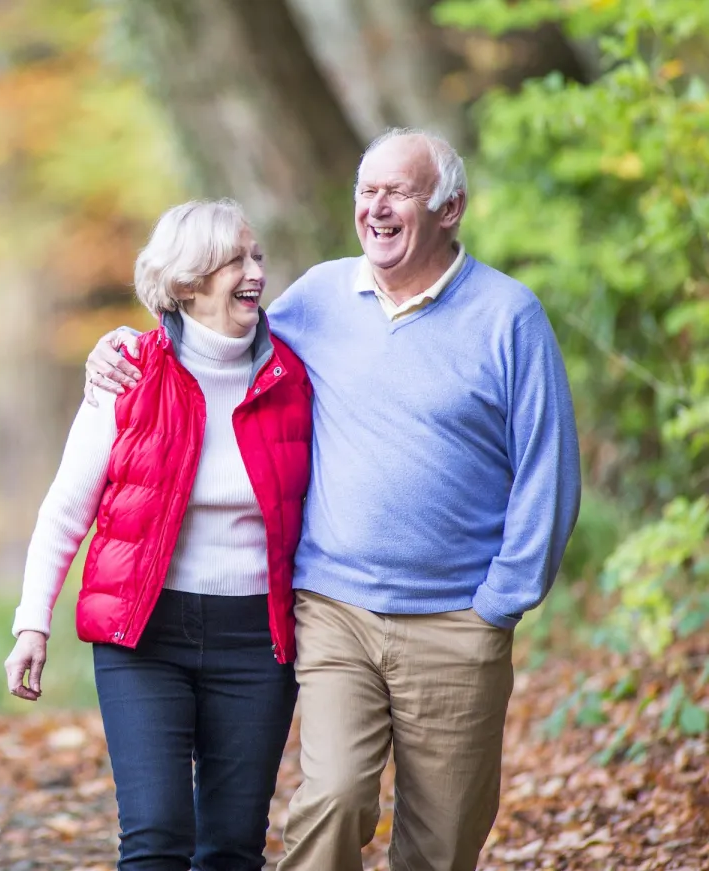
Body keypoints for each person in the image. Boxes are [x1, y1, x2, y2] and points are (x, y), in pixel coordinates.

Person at [84, 129, 582, 871]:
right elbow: (218, 342)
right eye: (366, 191)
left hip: (456, 620)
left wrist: (499, 604)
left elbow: (550, 471)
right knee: (335, 799)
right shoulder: (318, 296)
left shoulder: (509, 317)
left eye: (398, 192)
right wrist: (125, 344)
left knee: (443, 839)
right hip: (333, 608)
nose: (376, 208)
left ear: (451, 208)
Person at [4, 199, 314, 871]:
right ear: (185, 283)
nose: (255, 270)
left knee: (232, 844)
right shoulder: (128, 374)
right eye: (235, 259)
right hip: (145, 638)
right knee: (156, 835)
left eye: (256, 255)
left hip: (256, 642)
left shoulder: (295, 375)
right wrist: (32, 623)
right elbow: (65, 511)